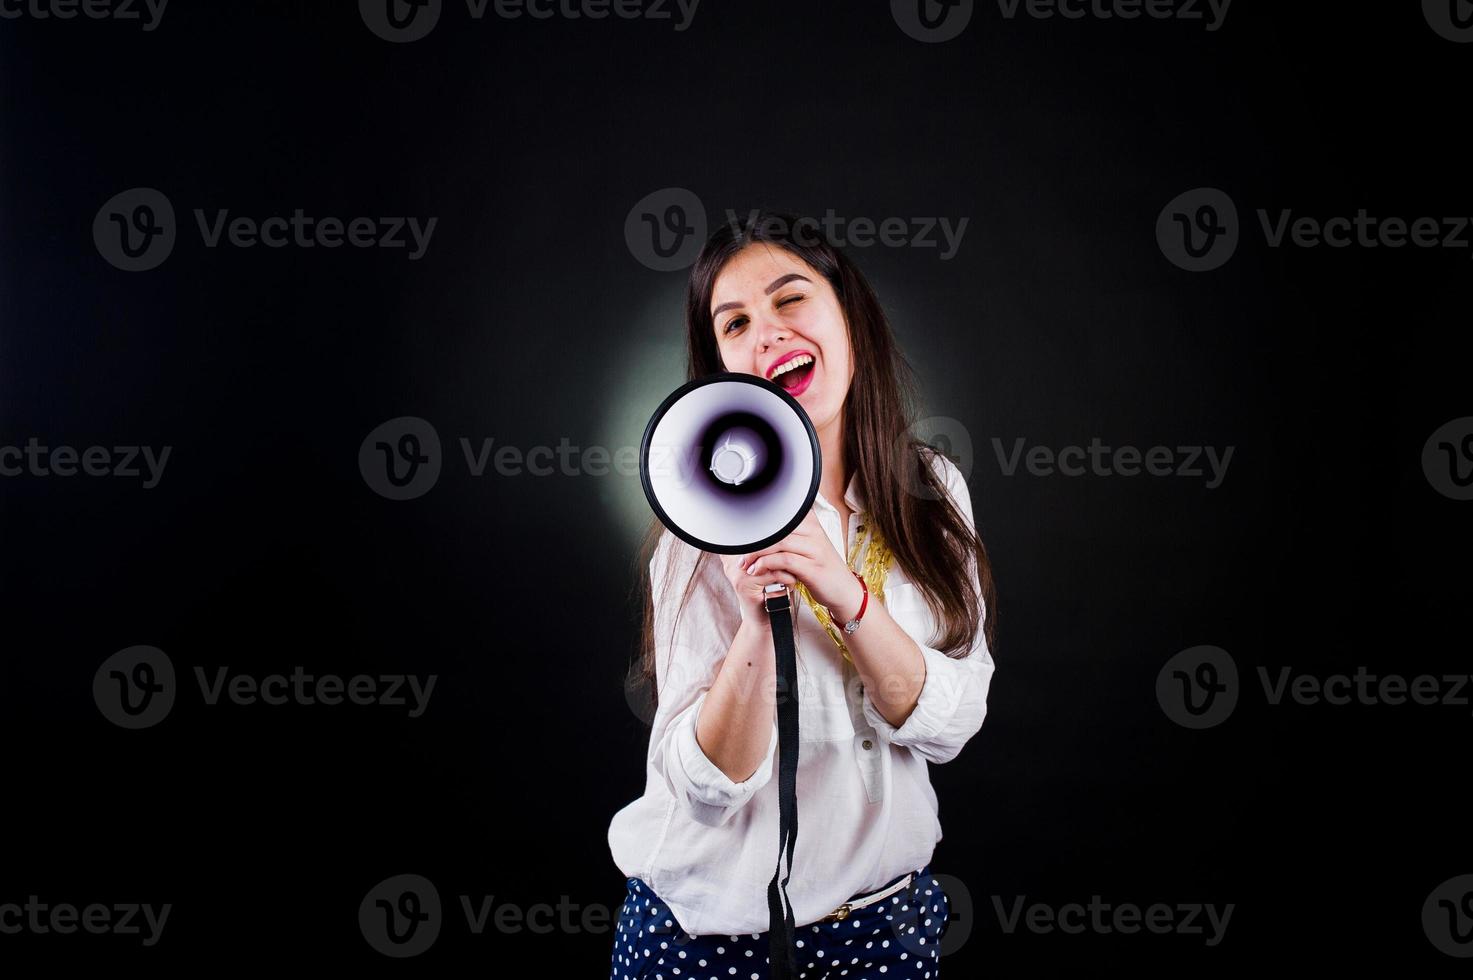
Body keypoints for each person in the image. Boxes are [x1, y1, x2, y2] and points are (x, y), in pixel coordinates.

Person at [608, 209, 998, 979]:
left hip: (890, 928)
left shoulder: (933, 490)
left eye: (791, 300)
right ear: (721, 366)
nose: (767, 333)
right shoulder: (698, 526)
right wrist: (757, 623)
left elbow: (951, 725)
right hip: (709, 942)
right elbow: (705, 791)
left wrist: (844, 593)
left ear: (847, 312)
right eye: (735, 323)